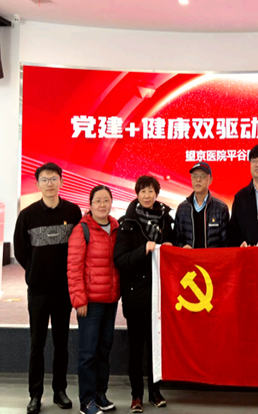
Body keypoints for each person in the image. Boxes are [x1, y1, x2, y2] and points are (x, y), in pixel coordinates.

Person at [14, 162, 82, 414]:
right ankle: (35, 395)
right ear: (37, 184)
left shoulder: (73, 211)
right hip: (38, 290)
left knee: (61, 343)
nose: (49, 183)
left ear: (61, 182)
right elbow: (20, 250)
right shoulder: (28, 215)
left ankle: (60, 391)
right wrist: (34, 271)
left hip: (64, 289)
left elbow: (80, 246)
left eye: (54, 179)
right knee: (37, 344)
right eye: (44, 179)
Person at [113, 175, 175, 413]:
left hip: (160, 295)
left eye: (151, 191)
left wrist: (171, 249)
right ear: (137, 194)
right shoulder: (126, 223)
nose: (147, 196)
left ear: (156, 194)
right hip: (136, 295)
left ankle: (155, 392)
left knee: (156, 348)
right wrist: (143, 250)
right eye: (143, 191)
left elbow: (175, 250)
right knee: (136, 349)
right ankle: (136, 395)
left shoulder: (166, 220)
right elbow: (120, 260)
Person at [68, 185, 120, 414]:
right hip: (90, 303)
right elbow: (74, 267)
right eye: (97, 200)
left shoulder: (116, 227)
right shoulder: (82, 230)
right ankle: (86, 400)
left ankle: (100, 394)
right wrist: (79, 299)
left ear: (111, 203)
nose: (102, 204)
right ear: (90, 204)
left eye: (106, 200)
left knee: (104, 350)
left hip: (110, 300)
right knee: (88, 353)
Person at [174, 161, 229, 249]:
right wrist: (183, 247)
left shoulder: (221, 208)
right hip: (188, 257)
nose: (198, 180)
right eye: (195, 176)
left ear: (210, 180)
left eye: (202, 176)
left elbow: (226, 243)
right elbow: (175, 240)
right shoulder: (182, 208)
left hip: (212, 257)